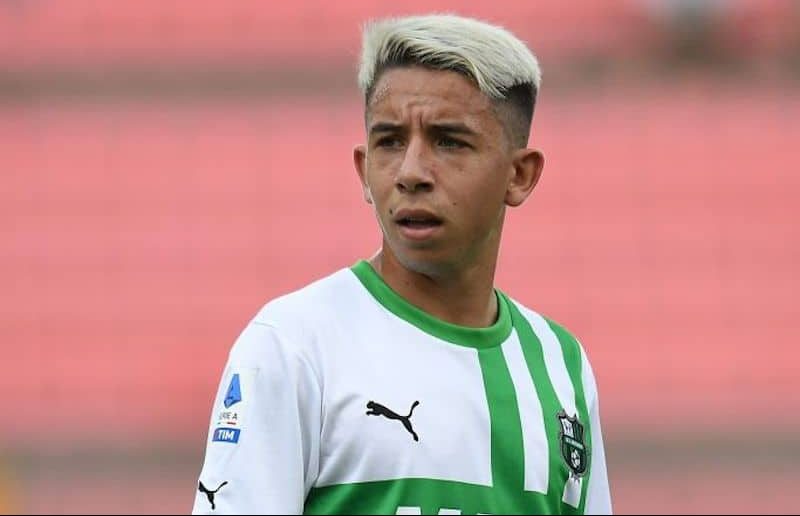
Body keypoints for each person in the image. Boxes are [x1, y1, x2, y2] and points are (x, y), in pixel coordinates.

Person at [192, 13, 612, 515]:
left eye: (449, 141)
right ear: (363, 170)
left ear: (519, 175)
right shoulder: (294, 344)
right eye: (389, 141)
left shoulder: (560, 364)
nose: (411, 172)